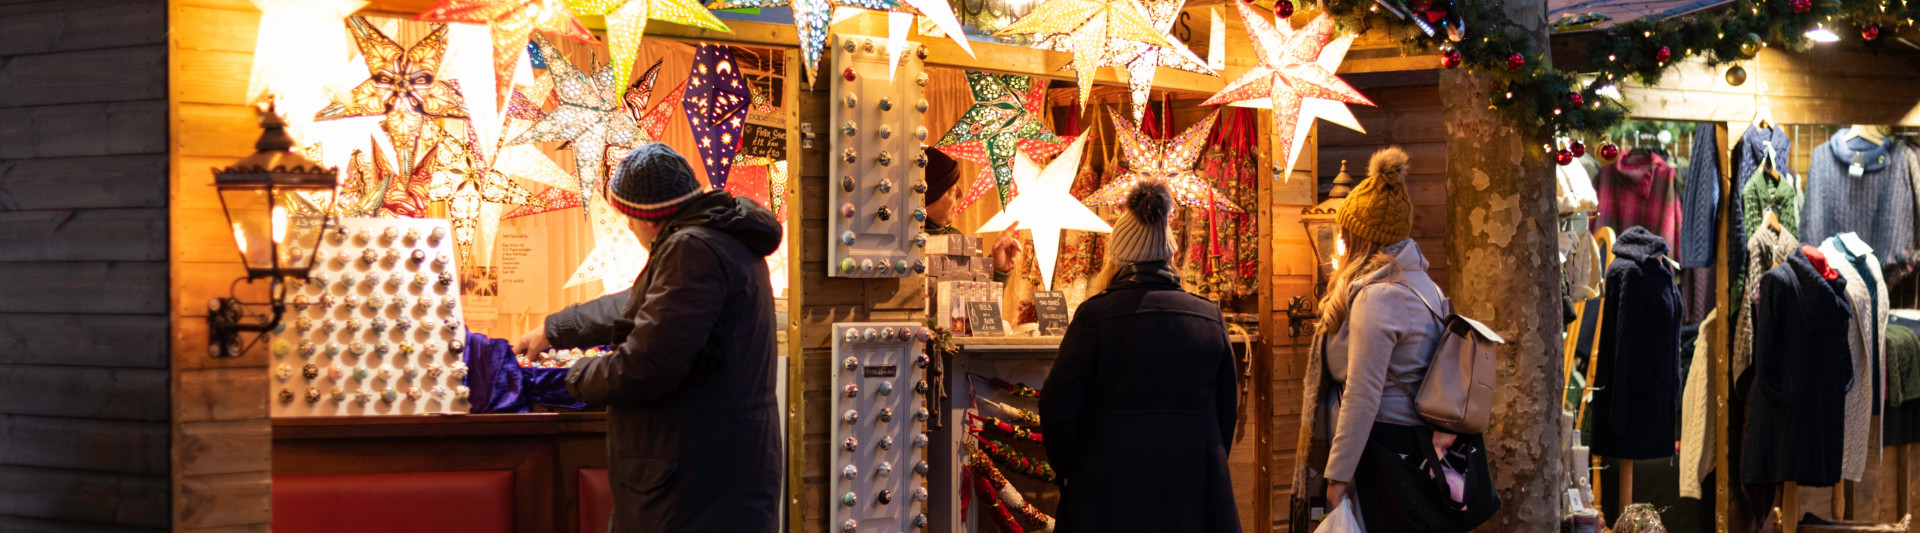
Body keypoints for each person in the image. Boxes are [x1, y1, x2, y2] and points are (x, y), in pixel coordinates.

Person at [512, 143, 783, 532]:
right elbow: (640, 303)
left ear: (649, 219)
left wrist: (570, 375)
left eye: (628, 217)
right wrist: (556, 329)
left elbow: (644, 368)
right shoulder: (719, 238)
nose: (626, 226)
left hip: (693, 483)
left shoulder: (692, 249)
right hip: (715, 472)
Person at [1038, 180, 1242, 533]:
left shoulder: (1095, 316)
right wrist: (1206, 460)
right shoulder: (1209, 317)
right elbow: (1225, 410)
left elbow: (1058, 403)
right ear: (1170, 254)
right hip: (1194, 486)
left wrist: (1074, 467)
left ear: (1117, 257)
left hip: (1108, 487)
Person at [1318, 146, 1495, 532]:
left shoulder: (1379, 297)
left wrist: (1338, 475)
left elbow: (1363, 394)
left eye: (1345, 232)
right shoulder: (1424, 285)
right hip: (1417, 447)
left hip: (1390, 452)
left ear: (1360, 238)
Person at [922, 147, 1021, 282]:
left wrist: (998, 270)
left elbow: (972, 294)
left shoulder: (956, 239)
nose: (961, 194)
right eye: (951, 190)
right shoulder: (908, 247)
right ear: (925, 202)